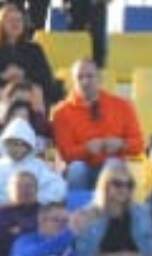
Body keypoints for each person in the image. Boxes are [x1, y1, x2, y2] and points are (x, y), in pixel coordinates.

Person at [49, 59, 145, 195]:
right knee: (77, 168)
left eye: (90, 76)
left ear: (100, 79)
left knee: (112, 165)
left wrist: (121, 144)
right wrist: (86, 149)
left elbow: (139, 145)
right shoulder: (61, 112)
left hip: (112, 164)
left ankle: (113, 214)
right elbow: (64, 153)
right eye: (80, 77)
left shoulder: (122, 106)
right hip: (80, 167)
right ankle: (78, 212)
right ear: (73, 82)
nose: (85, 82)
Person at [72, 161, 152, 256]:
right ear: (105, 185)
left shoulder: (142, 213)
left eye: (129, 185)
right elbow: (85, 255)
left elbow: (150, 252)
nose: (124, 189)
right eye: (118, 184)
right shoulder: (88, 214)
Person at [0, 3, 63, 109]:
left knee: (35, 92)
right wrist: (3, 76)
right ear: (2, 25)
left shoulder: (34, 49)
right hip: (2, 93)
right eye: (11, 21)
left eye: (19, 20)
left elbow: (46, 78)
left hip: (29, 90)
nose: (15, 24)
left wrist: (23, 74)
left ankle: (37, 124)